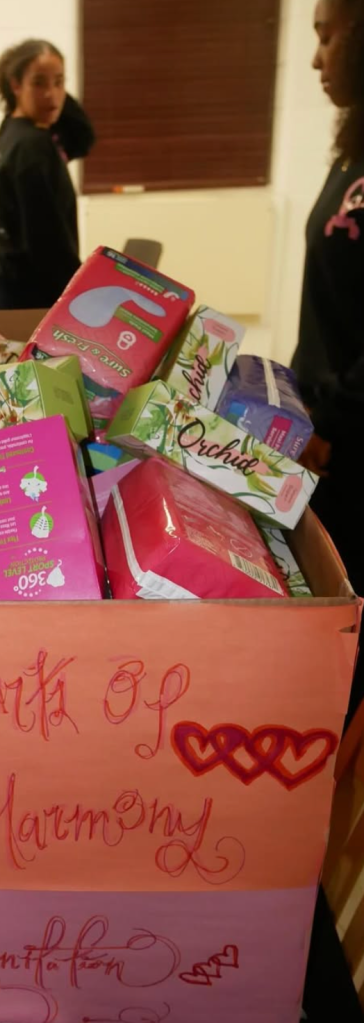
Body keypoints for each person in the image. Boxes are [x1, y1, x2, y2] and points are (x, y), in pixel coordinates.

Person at [294, 0, 364, 719]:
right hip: (324, 436)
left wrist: (330, 418)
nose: (316, 58)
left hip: (348, 437)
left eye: (323, 34)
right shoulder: (351, 150)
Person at [0, 39, 96, 311]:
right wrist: (79, 294)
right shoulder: (33, 145)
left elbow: (83, 137)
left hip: (9, 278)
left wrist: (52, 98)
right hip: (24, 288)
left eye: (59, 82)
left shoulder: (15, 126)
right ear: (15, 85)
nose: (51, 94)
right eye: (39, 83)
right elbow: (45, 239)